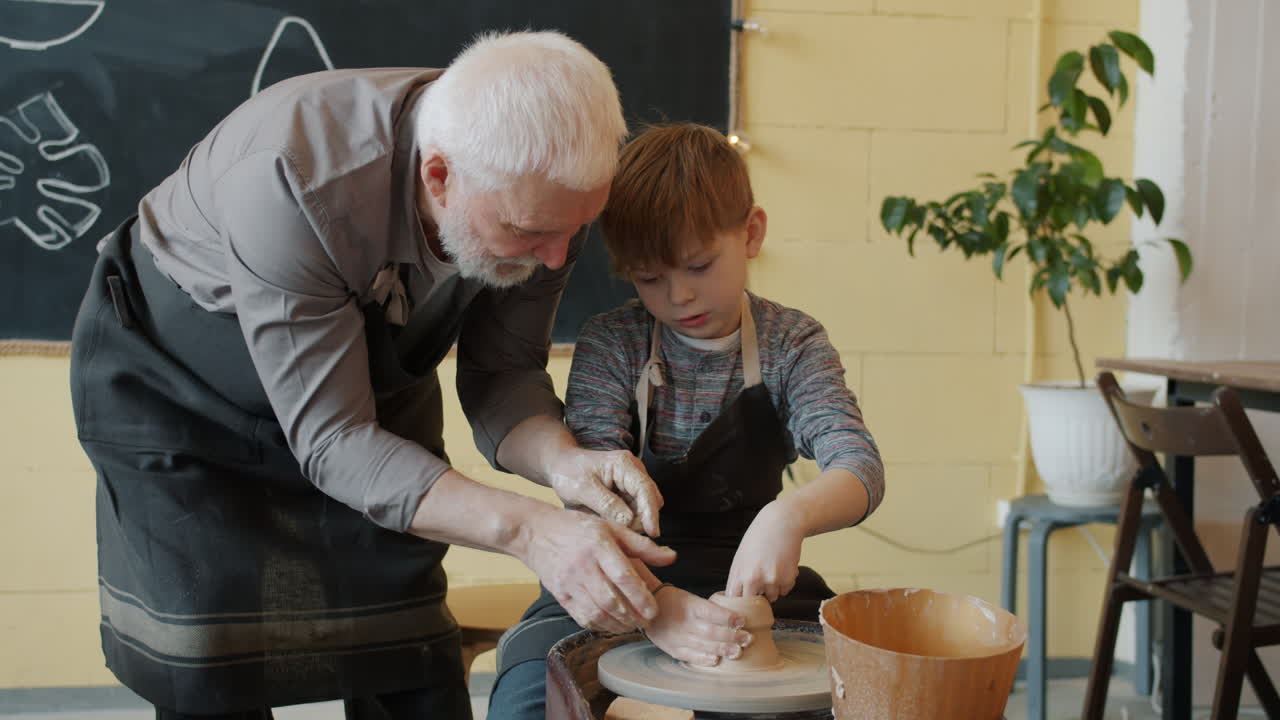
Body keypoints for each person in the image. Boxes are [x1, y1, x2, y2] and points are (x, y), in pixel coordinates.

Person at [69, 31, 676, 720]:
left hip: (363, 377)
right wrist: (533, 533)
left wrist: (566, 465)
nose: (555, 255)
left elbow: (503, 369)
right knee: (214, 666)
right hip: (179, 393)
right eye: (529, 232)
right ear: (439, 176)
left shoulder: (543, 193)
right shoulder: (294, 175)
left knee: (405, 644)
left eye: (576, 228)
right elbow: (333, 441)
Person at [487, 123, 886, 718]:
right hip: (616, 573)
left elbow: (859, 465)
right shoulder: (613, 342)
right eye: (650, 278)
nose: (678, 296)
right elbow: (591, 501)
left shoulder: (791, 343)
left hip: (753, 583)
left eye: (699, 266)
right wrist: (653, 607)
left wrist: (789, 516)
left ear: (750, 233)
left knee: (868, 694)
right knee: (531, 702)